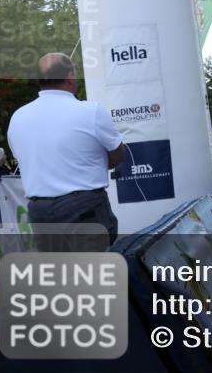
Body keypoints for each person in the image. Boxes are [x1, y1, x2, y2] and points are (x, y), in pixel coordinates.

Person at [7, 53, 125, 248]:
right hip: (84, 208)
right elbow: (119, 155)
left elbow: (25, 161)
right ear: (70, 76)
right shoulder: (91, 111)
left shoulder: (17, 118)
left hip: (41, 212)